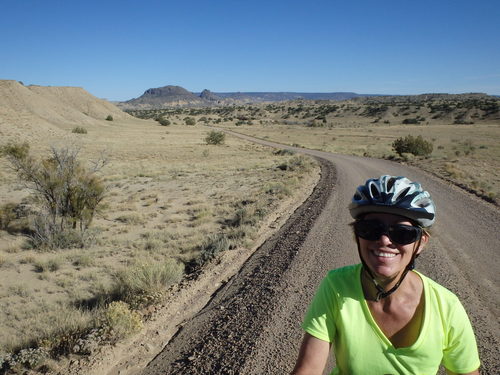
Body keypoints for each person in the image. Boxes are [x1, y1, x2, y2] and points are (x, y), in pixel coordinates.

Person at [292, 175, 480, 375]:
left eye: (402, 233)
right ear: (356, 235)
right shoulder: (337, 285)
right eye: (371, 229)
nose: (384, 240)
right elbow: (308, 369)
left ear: (421, 242)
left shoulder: (447, 306)